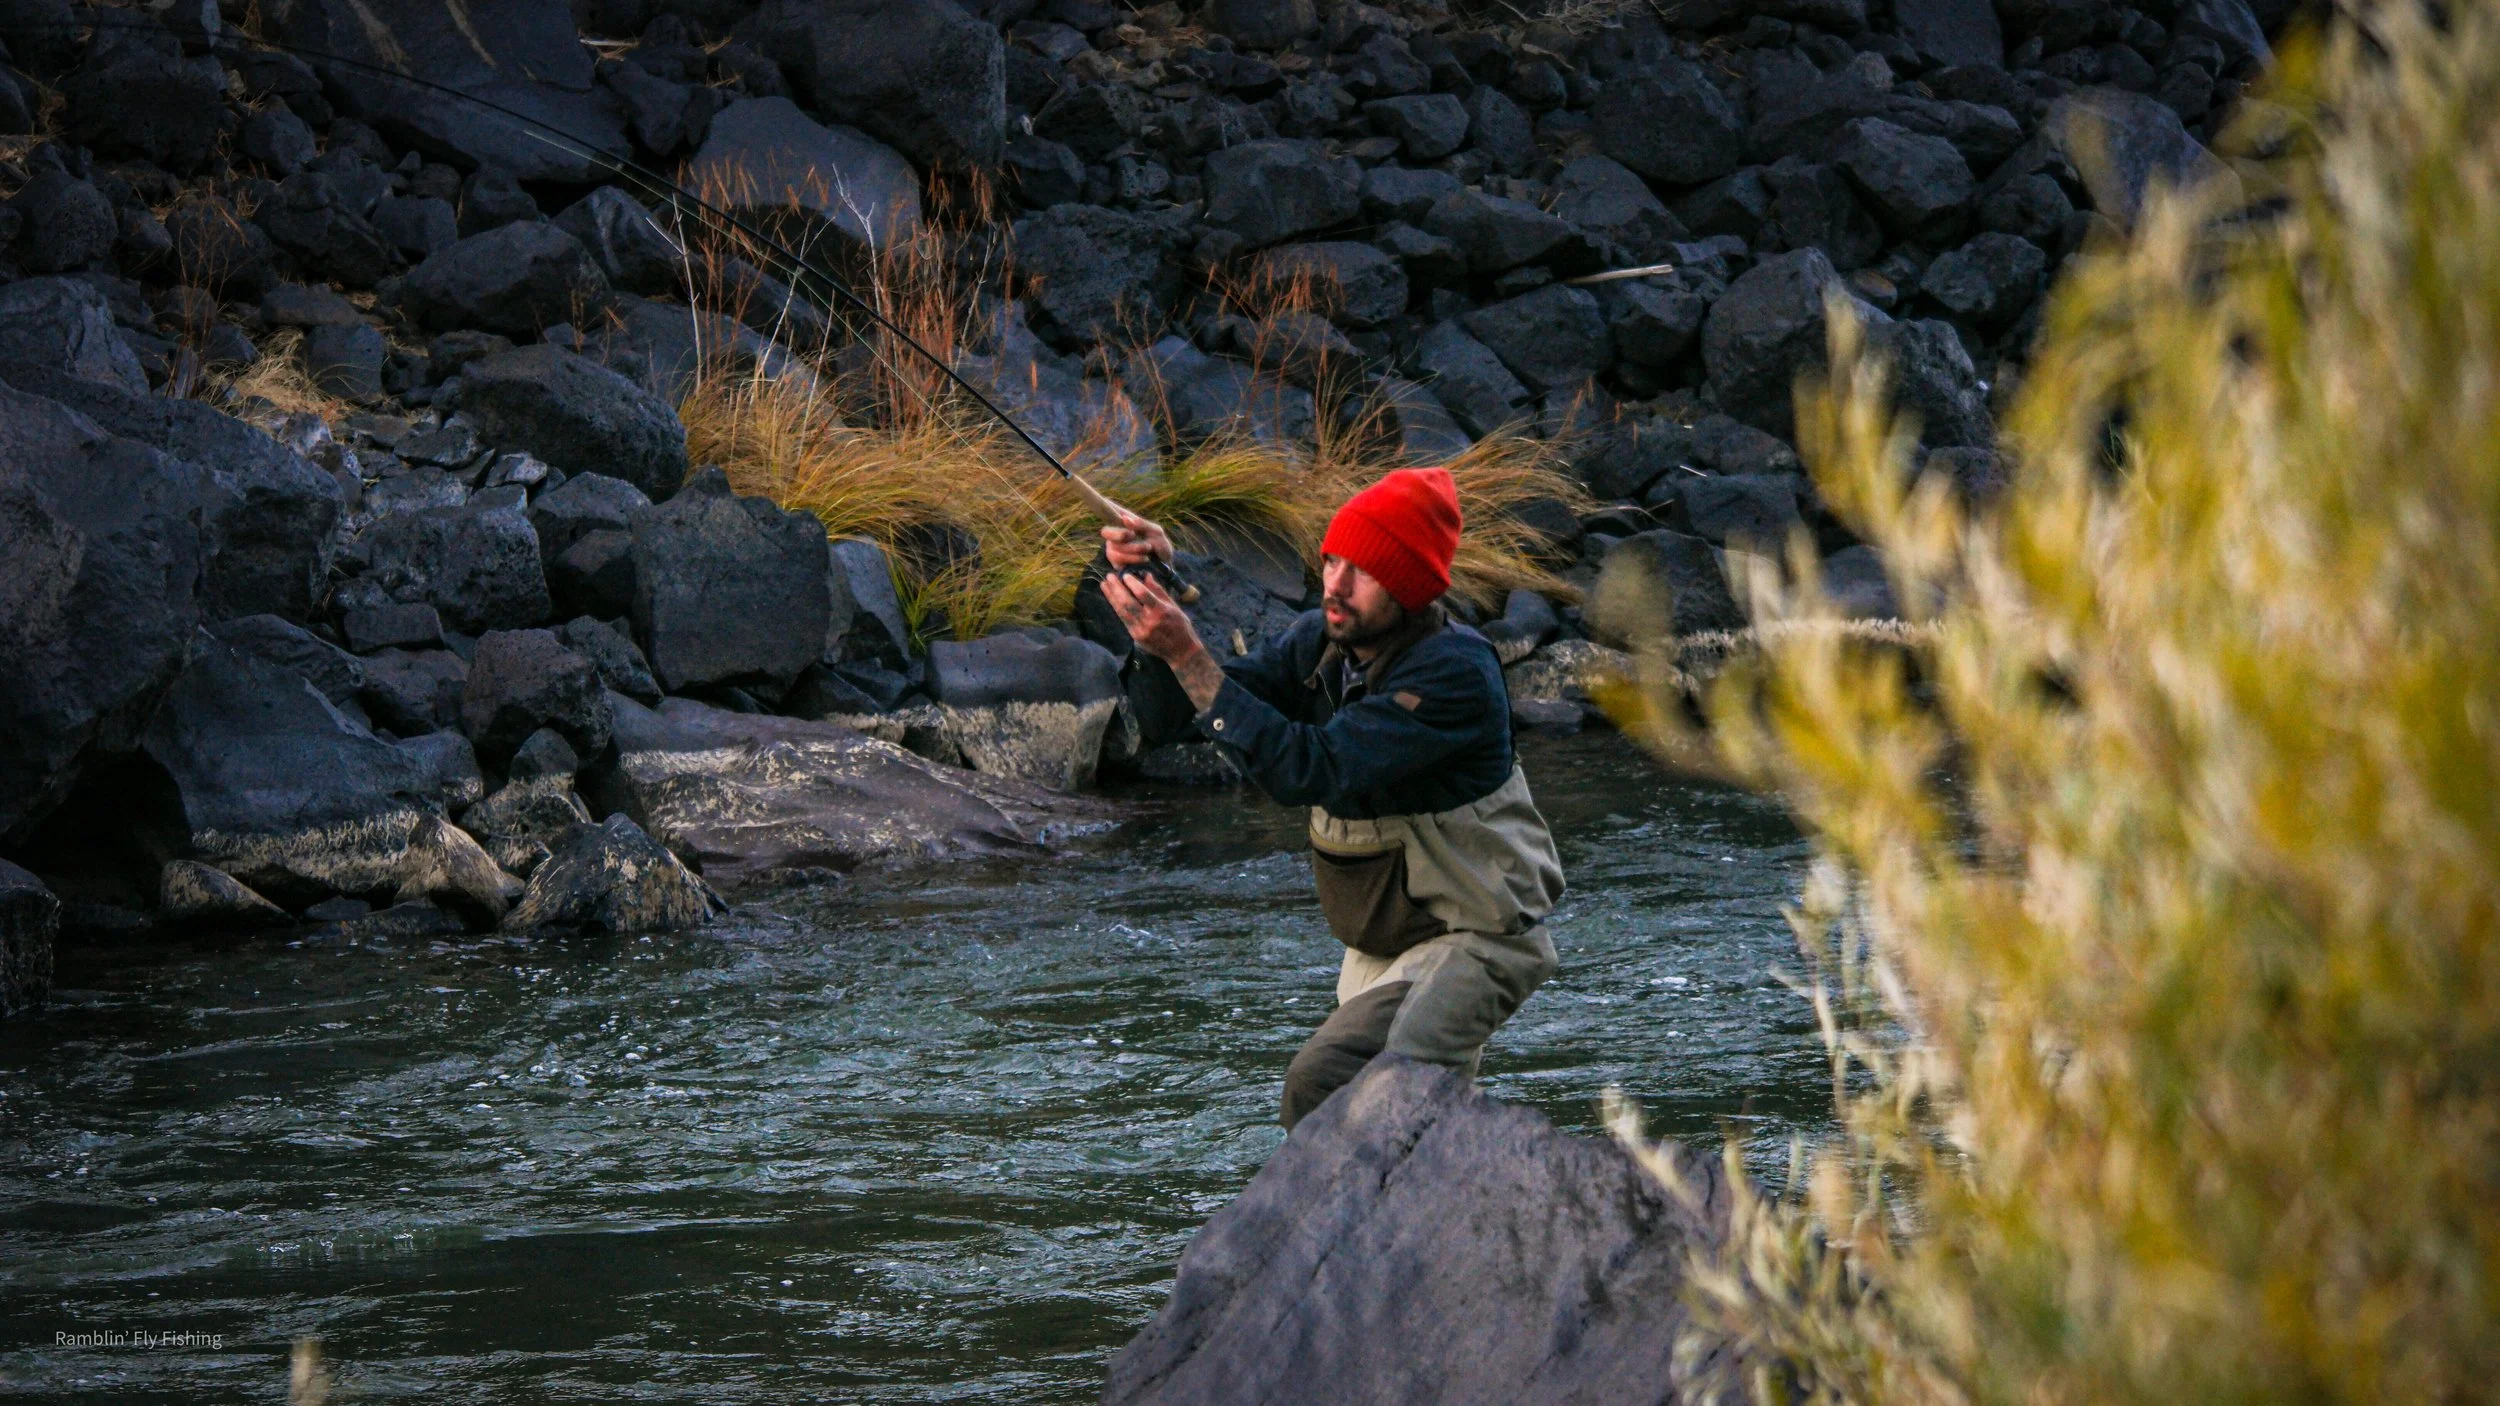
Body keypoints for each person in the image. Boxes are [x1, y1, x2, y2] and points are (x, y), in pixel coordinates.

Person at [1097, 466, 1565, 1130]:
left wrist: (1191, 659)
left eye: (1362, 571)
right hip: (1385, 945)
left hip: (1476, 943)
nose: (1335, 585)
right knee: (1416, 1129)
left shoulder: (1453, 673)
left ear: (1408, 586)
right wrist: (1153, 608)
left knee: (1329, 1084)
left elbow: (1309, 770)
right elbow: (1185, 715)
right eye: (1331, 561)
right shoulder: (1326, 642)